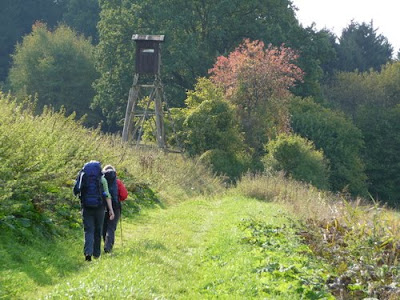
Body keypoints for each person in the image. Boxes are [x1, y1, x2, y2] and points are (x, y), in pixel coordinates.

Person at [73, 161, 115, 261]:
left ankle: (88, 253)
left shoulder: (83, 176)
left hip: (86, 207)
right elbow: (107, 195)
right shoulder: (102, 179)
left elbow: (76, 190)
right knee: (98, 230)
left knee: (88, 230)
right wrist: (111, 210)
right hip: (100, 208)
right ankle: (97, 254)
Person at [102, 165, 128, 253]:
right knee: (111, 227)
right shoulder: (117, 182)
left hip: (103, 206)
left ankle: (105, 243)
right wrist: (118, 199)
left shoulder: (101, 180)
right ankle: (108, 247)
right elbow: (124, 195)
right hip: (115, 206)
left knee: (104, 226)